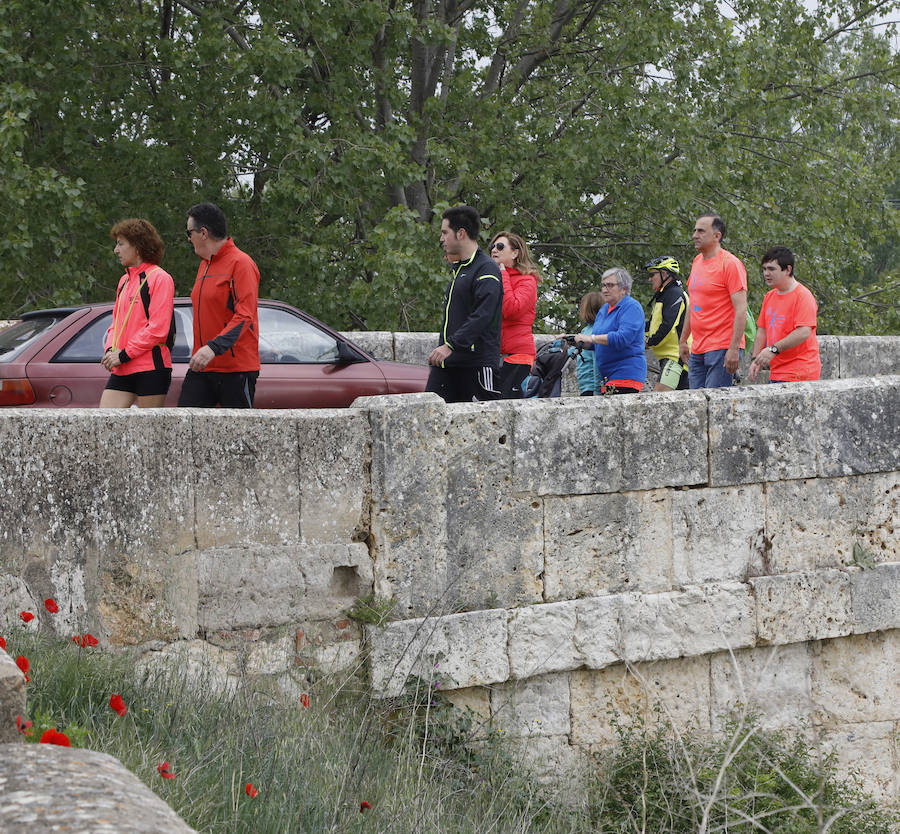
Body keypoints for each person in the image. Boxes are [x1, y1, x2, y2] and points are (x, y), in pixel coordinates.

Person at [178, 202, 260, 408]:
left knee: (239, 437)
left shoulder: (241, 263)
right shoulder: (204, 265)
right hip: (202, 368)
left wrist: (213, 348)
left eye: (189, 233)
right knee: (183, 430)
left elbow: (245, 315)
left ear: (203, 233)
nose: (189, 239)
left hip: (236, 370)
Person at [426, 205, 503, 403]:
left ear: (461, 234)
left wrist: (451, 345)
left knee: (484, 429)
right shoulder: (459, 269)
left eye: (445, 232)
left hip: (476, 366)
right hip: (448, 365)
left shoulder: (486, 269)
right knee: (431, 422)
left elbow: (483, 315)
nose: (441, 238)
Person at [100, 219, 175, 408]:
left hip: (151, 367)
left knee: (150, 432)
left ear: (138, 246)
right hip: (122, 367)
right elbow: (115, 323)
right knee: (104, 423)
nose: (115, 250)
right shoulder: (124, 280)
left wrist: (124, 354)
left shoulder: (160, 278)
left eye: (121, 244)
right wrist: (110, 350)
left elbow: (158, 329)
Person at [679, 213, 748, 388]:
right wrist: (683, 340)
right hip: (698, 347)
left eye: (701, 231)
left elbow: (741, 310)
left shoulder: (730, 264)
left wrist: (733, 349)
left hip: (722, 347)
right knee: (695, 406)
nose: (695, 235)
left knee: (717, 407)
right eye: (695, 230)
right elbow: (693, 305)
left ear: (717, 236)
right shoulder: (697, 262)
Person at [749, 246, 821, 383]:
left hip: (800, 374)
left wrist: (773, 349)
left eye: (771, 269)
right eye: (764, 269)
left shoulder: (803, 296)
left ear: (787, 270)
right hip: (777, 372)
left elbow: (804, 331)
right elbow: (762, 330)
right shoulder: (769, 297)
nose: (766, 274)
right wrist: (756, 359)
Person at [574, 267, 646, 394]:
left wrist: (591, 338)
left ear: (624, 289)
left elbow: (622, 338)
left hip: (625, 375)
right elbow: (598, 342)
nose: (604, 290)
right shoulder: (603, 310)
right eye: (603, 285)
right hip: (606, 377)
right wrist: (584, 343)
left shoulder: (631, 307)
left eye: (610, 285)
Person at [488, 231, 540, 398]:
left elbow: (511, 309)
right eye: (492, 246)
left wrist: (503, 274)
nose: (494, 250)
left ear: (515, 253)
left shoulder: (528, 280)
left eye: (501, 246)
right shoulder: (491, 278)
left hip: (518, 358)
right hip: (495, 357)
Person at [644, 256, 690, 391]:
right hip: (670, 357)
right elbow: (653, 325)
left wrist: (649, 342)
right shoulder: (665, 295)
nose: (649, 279)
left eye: (652, 275)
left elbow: (668, 326)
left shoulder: (674, 294)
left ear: (664, 274)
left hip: (676, 357)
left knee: (658, 399)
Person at [573, 292, 603, 395]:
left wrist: (597, 389)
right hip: (586, 385)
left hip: (591, 386)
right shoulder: (585, 331)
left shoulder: (595, 332)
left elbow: (597, 361)